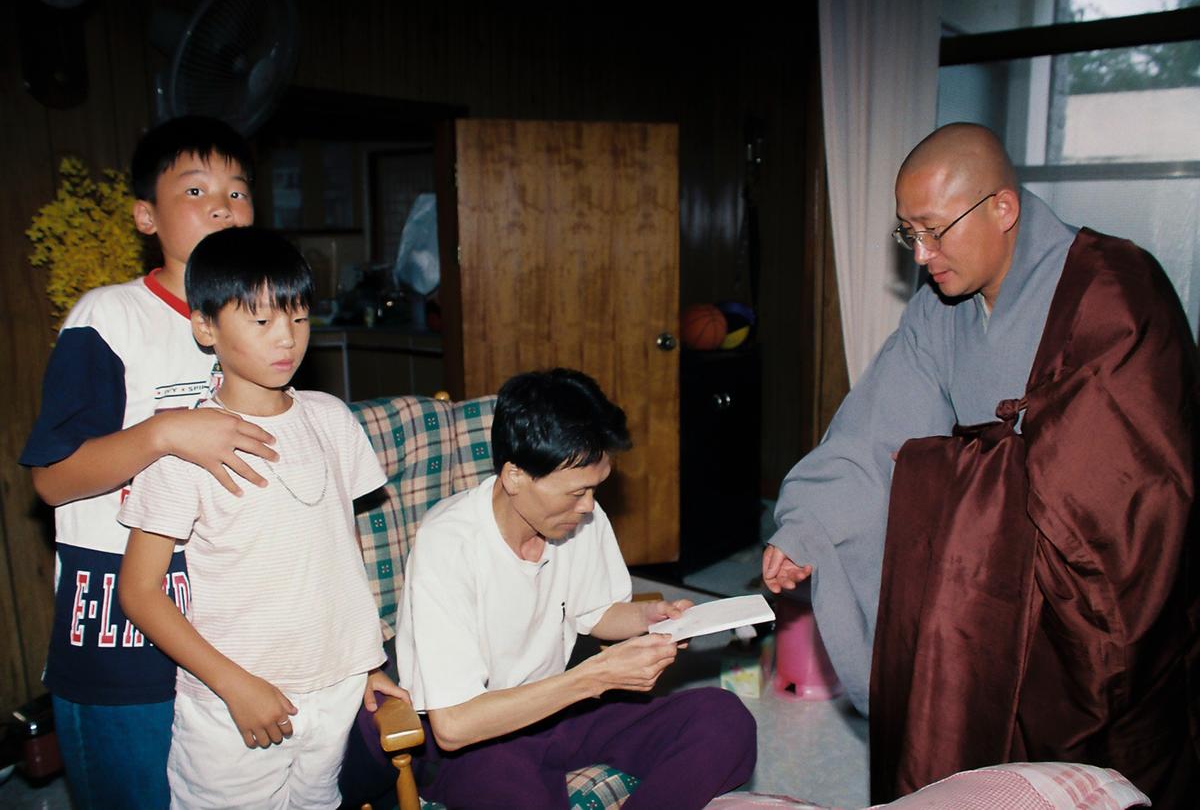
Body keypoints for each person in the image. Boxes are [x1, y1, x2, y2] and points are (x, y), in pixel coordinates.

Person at [763, 123, 1197, 805]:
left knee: (1102, 769)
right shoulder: (939, 313)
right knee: (961, 747)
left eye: (935, 230)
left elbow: (1123, 481)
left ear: (1002, 207)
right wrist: (810, 523)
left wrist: (965, 480)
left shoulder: (1114, 288)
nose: (922, 254)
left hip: (1091, 595)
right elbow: (877, 431)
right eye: (909, 233)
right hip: (984, 594)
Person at [19, 116, 274, 809]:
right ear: (145, 216)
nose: (222, 206)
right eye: (195, 190)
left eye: (237, 191)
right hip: (121, 634)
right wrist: (166, 433)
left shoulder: (262, 322)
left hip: (231, 620)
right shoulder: (108, 317)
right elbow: (52, 478)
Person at [116, 227, 408, 808]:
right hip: (235, 704)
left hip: (335, 690)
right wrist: (234, 686)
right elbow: (139, 592)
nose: (286, 338)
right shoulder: (186, 445)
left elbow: (341, 553)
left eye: (298, 317)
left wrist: (365, 660)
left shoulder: (331, 419)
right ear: (205, 327)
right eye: (261, 320)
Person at [394, 368, 757, 810]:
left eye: (595, 489)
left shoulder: (576, 517)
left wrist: (649, 617)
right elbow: (455, 726)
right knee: (511, 788)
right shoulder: (448, 544)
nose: (588, 507)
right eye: (576, 492)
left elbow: (596, 612)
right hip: (478, 741)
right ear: (514, 476)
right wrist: (595, 677)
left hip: (559, 711)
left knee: (724, 719)